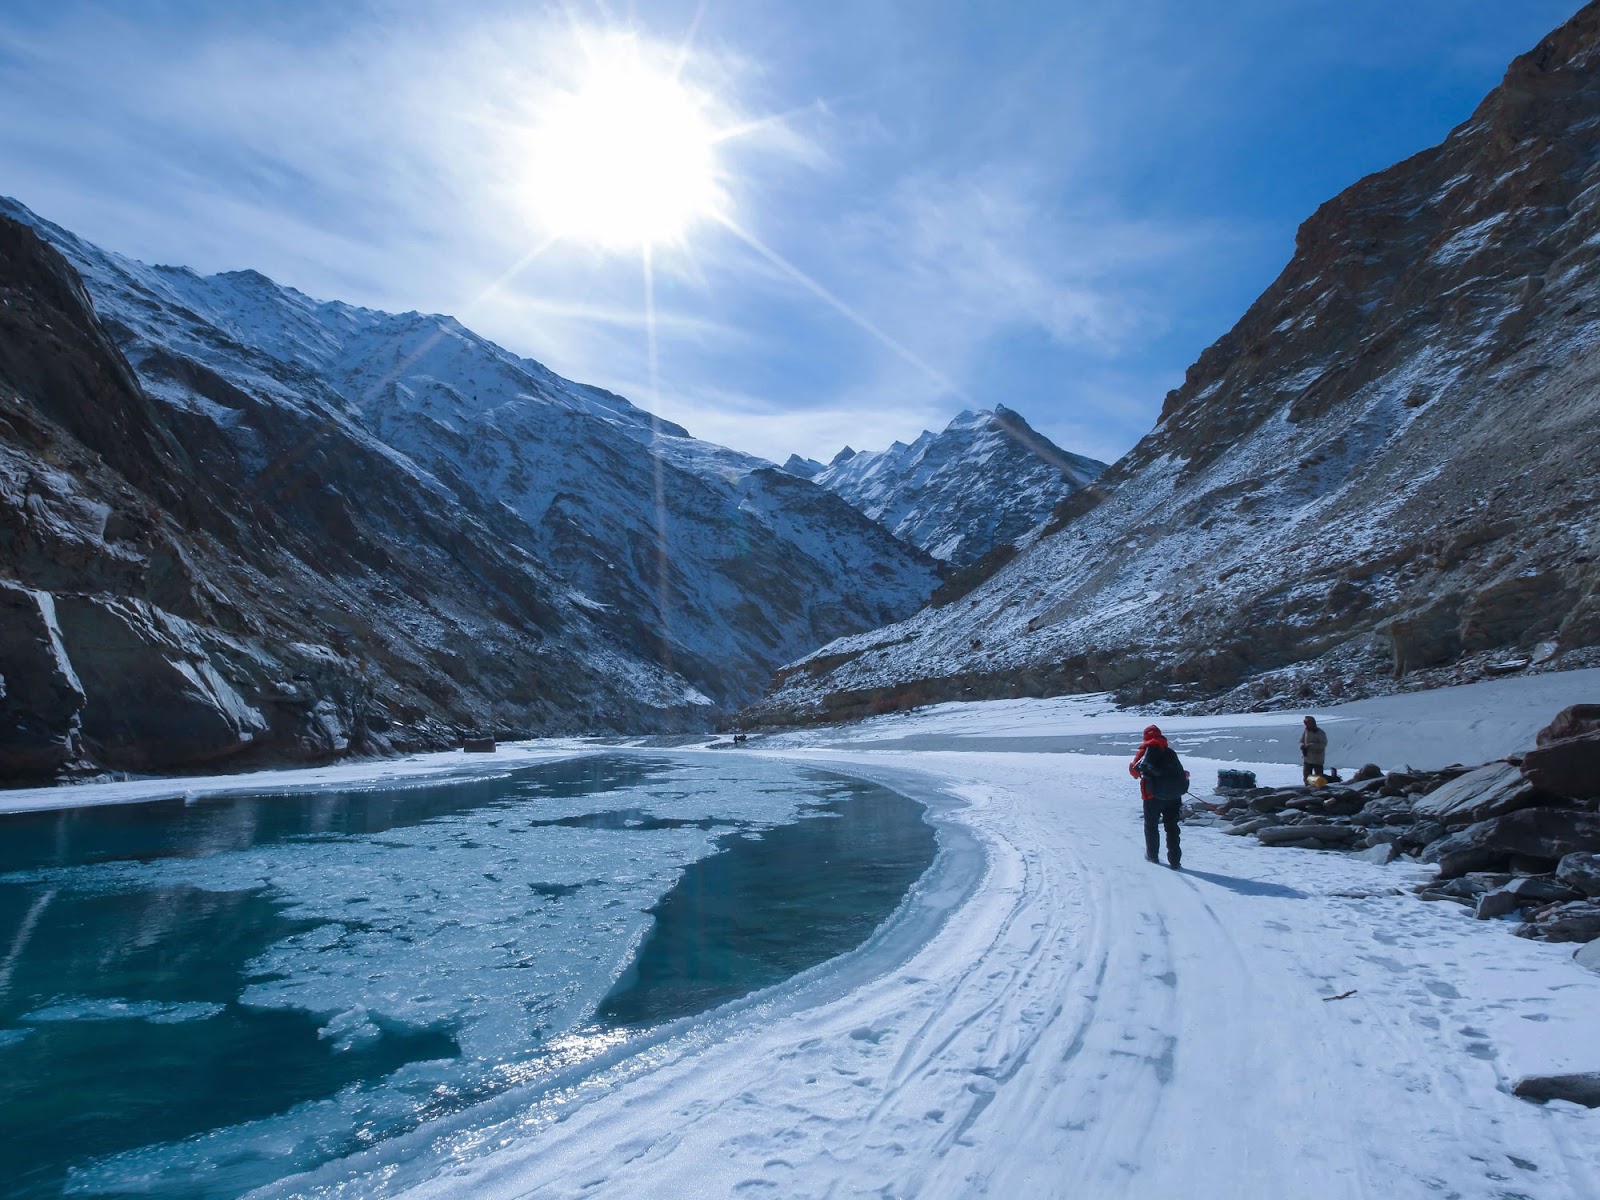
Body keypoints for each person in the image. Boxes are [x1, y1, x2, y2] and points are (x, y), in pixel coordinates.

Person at [1129, 724, 1188, 868]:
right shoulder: (1169, 751)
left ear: (1145, 737)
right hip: (1173, 795)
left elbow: (1135, 771)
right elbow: (1180, 772)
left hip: (1151, 795)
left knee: (1151, 826)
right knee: (1172, 827)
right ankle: (1175, 861)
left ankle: (1152, 855)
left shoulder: (1145, 751)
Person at [1300, 715, 1329, 784]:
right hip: (1307, 758)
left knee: (1318, 778)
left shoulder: (1320, 733)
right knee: (1307, 777)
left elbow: (1323, 744)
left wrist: (1312, 745)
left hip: (1317, 759)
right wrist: (1302, 745)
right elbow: (1301, 740)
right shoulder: (1306, 731)